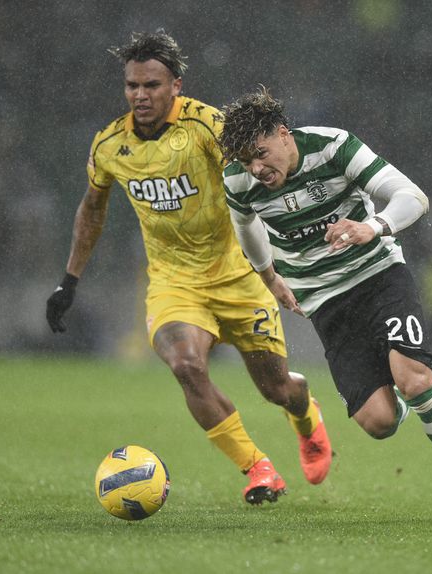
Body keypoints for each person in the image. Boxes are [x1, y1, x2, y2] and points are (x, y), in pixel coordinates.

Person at [44, 32, 332, 505]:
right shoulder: (110, 145)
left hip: (240, 275)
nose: (140, 95)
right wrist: (69, 280)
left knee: (277, 388)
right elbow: (92, 208)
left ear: (175, 85)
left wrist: (294, 245)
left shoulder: (206, 127)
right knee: (186, 364)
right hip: (175, 282)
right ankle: (258, 469)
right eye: (132, 85)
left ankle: (307, 418)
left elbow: (260, 177)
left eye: (152, 85)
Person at [218, 87, 432, 520]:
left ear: (283, 133)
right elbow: (245, 224)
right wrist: (269, 276)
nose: (256, 167)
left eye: (261, 152)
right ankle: (404, 400)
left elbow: (413, 197)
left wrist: (375, 226)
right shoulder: (239, 179)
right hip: (326, 303)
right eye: (245, 159)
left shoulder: (333, 146)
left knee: (417, 380)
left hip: (379, 276)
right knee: (379, 423)